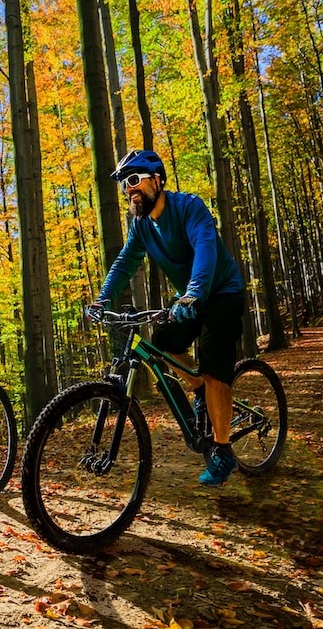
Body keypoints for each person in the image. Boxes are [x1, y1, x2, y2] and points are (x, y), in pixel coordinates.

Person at [88, 149, 246, 486]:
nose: (130, 189)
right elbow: (125, 262)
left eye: (135, 180)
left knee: (216, 366)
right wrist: (103, 298)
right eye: (123, 185)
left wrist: (193, 293)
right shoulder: (141, 225)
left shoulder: (190, 207)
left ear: (157, 179)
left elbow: (206, 248)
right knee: (161, 345)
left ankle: (223, 450)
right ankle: (199, 386)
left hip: (221, 293)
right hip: (188, 299)